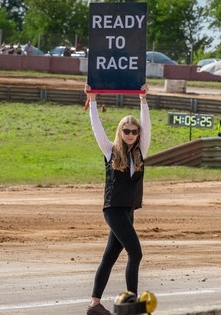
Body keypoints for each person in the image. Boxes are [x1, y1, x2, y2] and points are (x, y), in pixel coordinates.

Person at [84, 84, 151, 315]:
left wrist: (143, 100)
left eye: (134, 131)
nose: (131, 134)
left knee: (110, 256)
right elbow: (97, 129)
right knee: (136, 253)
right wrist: (92, 101)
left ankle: (94, 304)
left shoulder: (141, 151)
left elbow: (148, 126)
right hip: (113, 210)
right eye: (127, 131)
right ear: (120, 132)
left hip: (129, 211)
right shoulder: (109, 150)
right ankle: (132, 304)